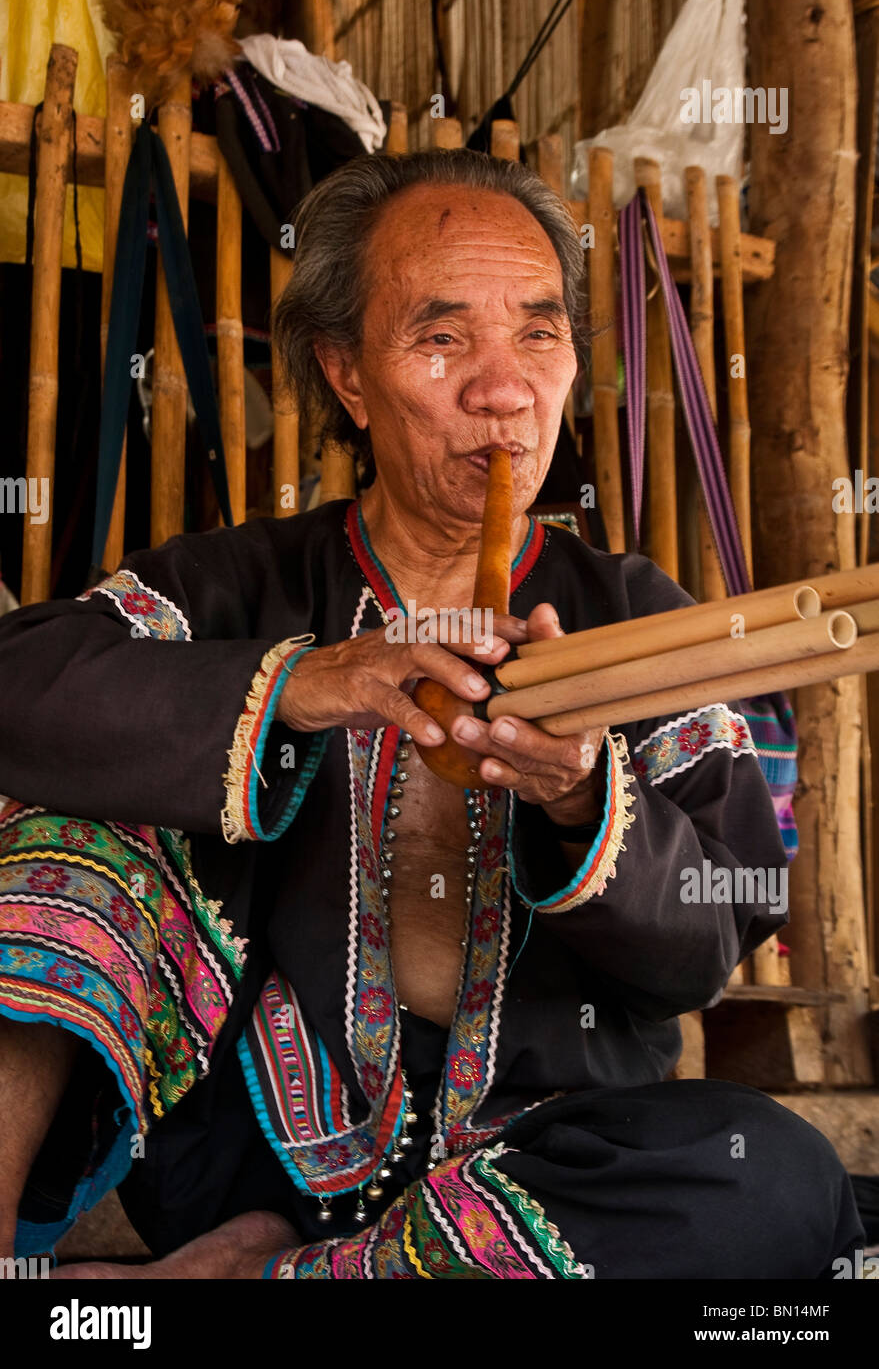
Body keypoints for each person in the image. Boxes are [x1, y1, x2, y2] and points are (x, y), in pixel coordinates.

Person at [0, 148, 864, 1279]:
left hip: (532, 1161)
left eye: (540, 334)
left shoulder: (638, 620)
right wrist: (307, 682)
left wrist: (579, 795)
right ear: (350, 376)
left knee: (773, 1177)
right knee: (70, 831)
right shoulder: (238, 588)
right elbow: (22, 687)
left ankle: (271, 1279)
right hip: (240, 1148)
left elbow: (720, 929)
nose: (503, 389)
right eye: (444, 339)